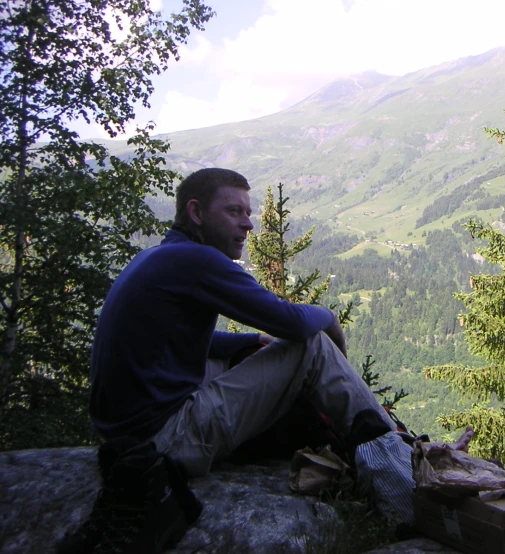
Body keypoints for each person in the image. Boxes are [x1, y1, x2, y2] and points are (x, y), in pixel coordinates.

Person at [64, 168, 417, 554]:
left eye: (248, 212)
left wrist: (252, 340)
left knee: (248, 352)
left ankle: (377, 452)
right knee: (311, 345)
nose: (248, 224)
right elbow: (293, 322)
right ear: (196, 213)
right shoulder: (198, 261)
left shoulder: (160, 256)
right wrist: (330, 318)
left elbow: (185, 342)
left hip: (126, 434)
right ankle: (402, 486)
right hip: (165, 438)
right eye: (233, 211)